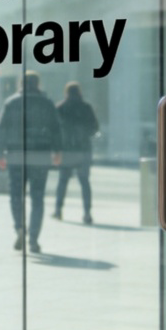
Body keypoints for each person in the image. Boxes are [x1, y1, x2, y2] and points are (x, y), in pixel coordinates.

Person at [0, 70, 62, 254]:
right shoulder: (47, 103)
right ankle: (33, 239)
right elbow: (56, 129)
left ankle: (19, 228)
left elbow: (1, 129)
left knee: (16, 194)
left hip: (16, 154)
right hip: (40, 155)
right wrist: (57, 151)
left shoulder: (11, 102)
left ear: (21, 84)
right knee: (38, 197)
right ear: (38, 84)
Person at [53, 81, 100, 224]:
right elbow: (95, 128)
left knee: (63, 181)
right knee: (84, 182)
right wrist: (84, 135)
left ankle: (58, 210)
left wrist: (57, 149)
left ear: (66, 92)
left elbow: (54, 131)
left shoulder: (60, 108)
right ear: (79, 92)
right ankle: (87, 213)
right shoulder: (86, 107)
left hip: (66, 149)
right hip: (83, 149)